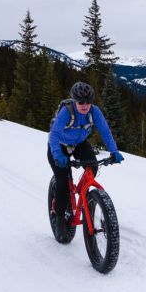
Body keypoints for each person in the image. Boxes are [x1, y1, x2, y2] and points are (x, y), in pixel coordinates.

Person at [47, 81, 124, 243]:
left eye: (88, 102)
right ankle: (60, 218)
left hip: (79, 143)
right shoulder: (66, 112)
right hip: (59, 146)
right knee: (62, 183)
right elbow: (53, 135)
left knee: (93, 168)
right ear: (75, 101)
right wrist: (57, 155)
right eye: (81, 102)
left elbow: (105, 131)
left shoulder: (94, 112)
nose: (84, 105)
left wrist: (114, 151)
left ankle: (86, 196)